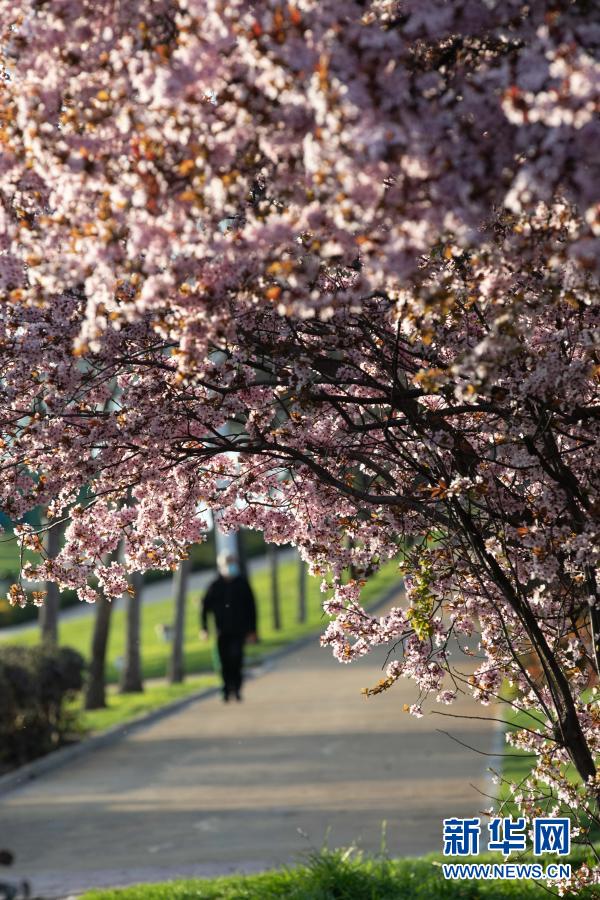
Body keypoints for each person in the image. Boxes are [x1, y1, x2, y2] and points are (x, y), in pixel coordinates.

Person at [200, 552, 257, 702]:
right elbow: (205, 608)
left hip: (239, 630)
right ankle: (225, 689)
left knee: (237, 659)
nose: (230, 566)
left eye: (232, 562)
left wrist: (252, 630)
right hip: (221, 631)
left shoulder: (242, 583)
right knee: (224, 661)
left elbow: (252, 608)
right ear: (221, 566)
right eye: (227, 563)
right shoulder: (215, 585)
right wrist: (204, 628)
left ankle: (237, 688)